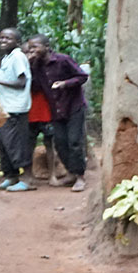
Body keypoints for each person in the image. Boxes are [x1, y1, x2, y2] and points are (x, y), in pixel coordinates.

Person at [27, 34, 89, 191]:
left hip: (73, 106)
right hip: (55, 110)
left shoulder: (63, 60)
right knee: (60, 143)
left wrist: (65, 83)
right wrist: (29, 65)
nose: (31, 50)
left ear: (47, 47)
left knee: (74, 142)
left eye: (35, 47)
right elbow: (35, 86)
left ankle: (80, 177)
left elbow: (82, 76)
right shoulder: (36, 66)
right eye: (30, 48)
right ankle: (70, 173)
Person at [0, 28, 33, 191]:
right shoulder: (8, 58)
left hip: (15, 109)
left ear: (18, 42)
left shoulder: (18, 57)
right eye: (1, 37)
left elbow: (21, 82)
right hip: (5, 107)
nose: (3, 40)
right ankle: (11, 176)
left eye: (8, 38)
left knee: (16, 145)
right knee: (4, 144)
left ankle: (27, 179)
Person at [23, 39, 58, 181]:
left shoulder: (44, 66)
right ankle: (28, 175)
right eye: (27, 51)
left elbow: (39, 85)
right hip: (29, 112)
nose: (30, 54)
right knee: (28, 144)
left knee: (50, 143)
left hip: (46, 112)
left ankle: (53, 175)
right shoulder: (23, 67)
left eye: (32, 50)